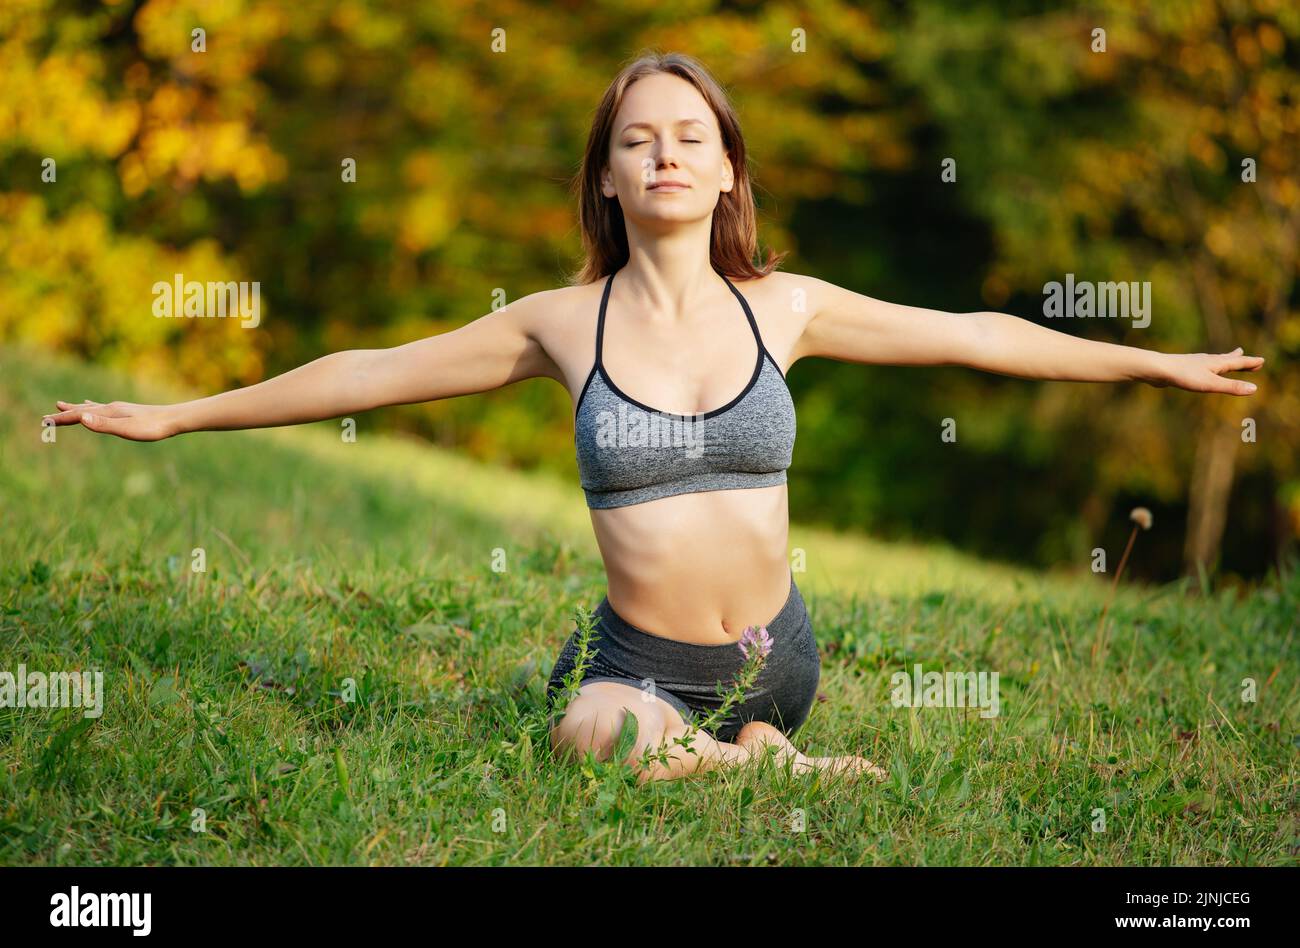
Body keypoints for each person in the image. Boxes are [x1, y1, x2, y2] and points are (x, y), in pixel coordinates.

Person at [42, 52, 1265, 784]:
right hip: (637, 668)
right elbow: (368, 368)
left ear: (728, 168)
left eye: (691, 136)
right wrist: (174, 417)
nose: (666, 154)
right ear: (610, 177)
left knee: (603, 730)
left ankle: (759, 742)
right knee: (581, 727)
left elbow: (976, 333)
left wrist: (1152, 368)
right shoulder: (558, 326)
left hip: (774, 657)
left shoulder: (786, 307)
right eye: (639, 140)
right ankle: (753, 774)